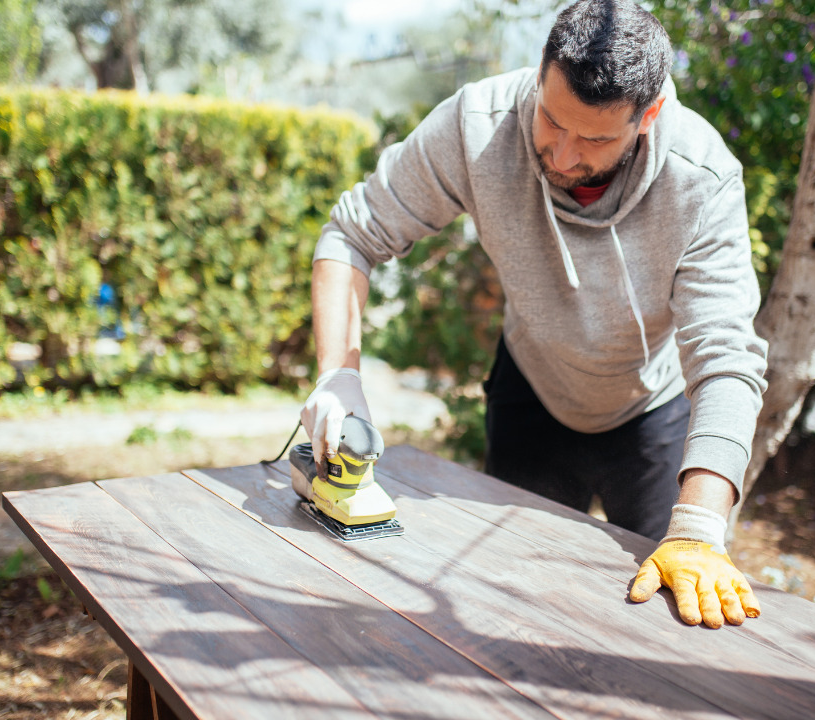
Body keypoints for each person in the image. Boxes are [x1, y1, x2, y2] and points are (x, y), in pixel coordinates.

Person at [300, 0, 768, 629]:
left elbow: (727, 359)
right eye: (551, 120)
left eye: (596, 137)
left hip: (652, 410)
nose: (564, 154)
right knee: (507, 608)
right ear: (541, 72)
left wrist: (701, 528)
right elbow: (351, 235)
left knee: (667, 613)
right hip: (532, 394)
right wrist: (339, 376)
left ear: (648, 116)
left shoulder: (701, 178)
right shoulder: (477, 125)